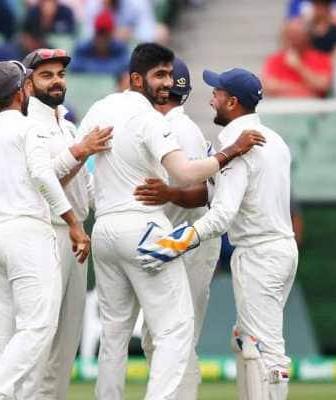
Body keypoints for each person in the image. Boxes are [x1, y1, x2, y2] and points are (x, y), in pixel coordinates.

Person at [79, 43, 265, 400]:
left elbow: (79, 163)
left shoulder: (107, 108)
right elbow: (188, 178)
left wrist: (88, 208)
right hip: (154, 234)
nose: (164, 86)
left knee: (120, 335)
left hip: (120, 230)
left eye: (167, 78)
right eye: (159, 76)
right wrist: (228, 152)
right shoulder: (153, 121)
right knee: (175, 333)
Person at [140, 68, 297, 400]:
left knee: (266, 350)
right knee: (244, 339)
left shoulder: (237, 145)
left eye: (218, 93)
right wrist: (172, 194)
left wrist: (174, 244)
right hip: (280, 250)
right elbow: (217, 194)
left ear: (233, 102)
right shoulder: (276, 140)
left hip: (259, 255)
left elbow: (223, 214)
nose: (211, 98)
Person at [0, 60, 91, 399]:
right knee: (39, 326)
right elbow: (43, 176)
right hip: (26, 233)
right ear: (21, 91)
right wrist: (74, 223)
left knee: (9, 336)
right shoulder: (27, 129)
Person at [22, 48, 112, 400]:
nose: (57, 80)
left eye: (60, 73)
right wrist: (81, 150)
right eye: (47, 75)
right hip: (45, 231)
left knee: (68, 336)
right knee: (41, 334)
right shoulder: (28, 124)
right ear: (28, 83)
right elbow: (42, 181)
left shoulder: (68, 123)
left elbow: (78, 182)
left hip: (75, 234)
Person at [133, 57, 222, 400]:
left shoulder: (180, 130)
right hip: (174, 242)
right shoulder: (166, 126)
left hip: (191, 242)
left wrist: (168, 194)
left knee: (175, 338)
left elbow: (205, 193)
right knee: (160, 337)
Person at [262, 18, 333, 98]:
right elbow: (268, 86)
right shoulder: (274, 59)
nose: (292, 38)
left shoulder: (321, 58)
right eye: (289, 34)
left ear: (306, 36)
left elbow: (323, 86)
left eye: (296, 34)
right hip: (283, 106)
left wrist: (299, 66)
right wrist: (305, 89)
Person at [69, 10, 129, 74]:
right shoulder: (82, 47)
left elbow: (126, 65)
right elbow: (74, 66)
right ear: (95, 32)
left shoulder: (120, 48)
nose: (102, 38)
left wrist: (92, 66)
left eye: (106, 34)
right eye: (100, 32)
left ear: (111, 33)